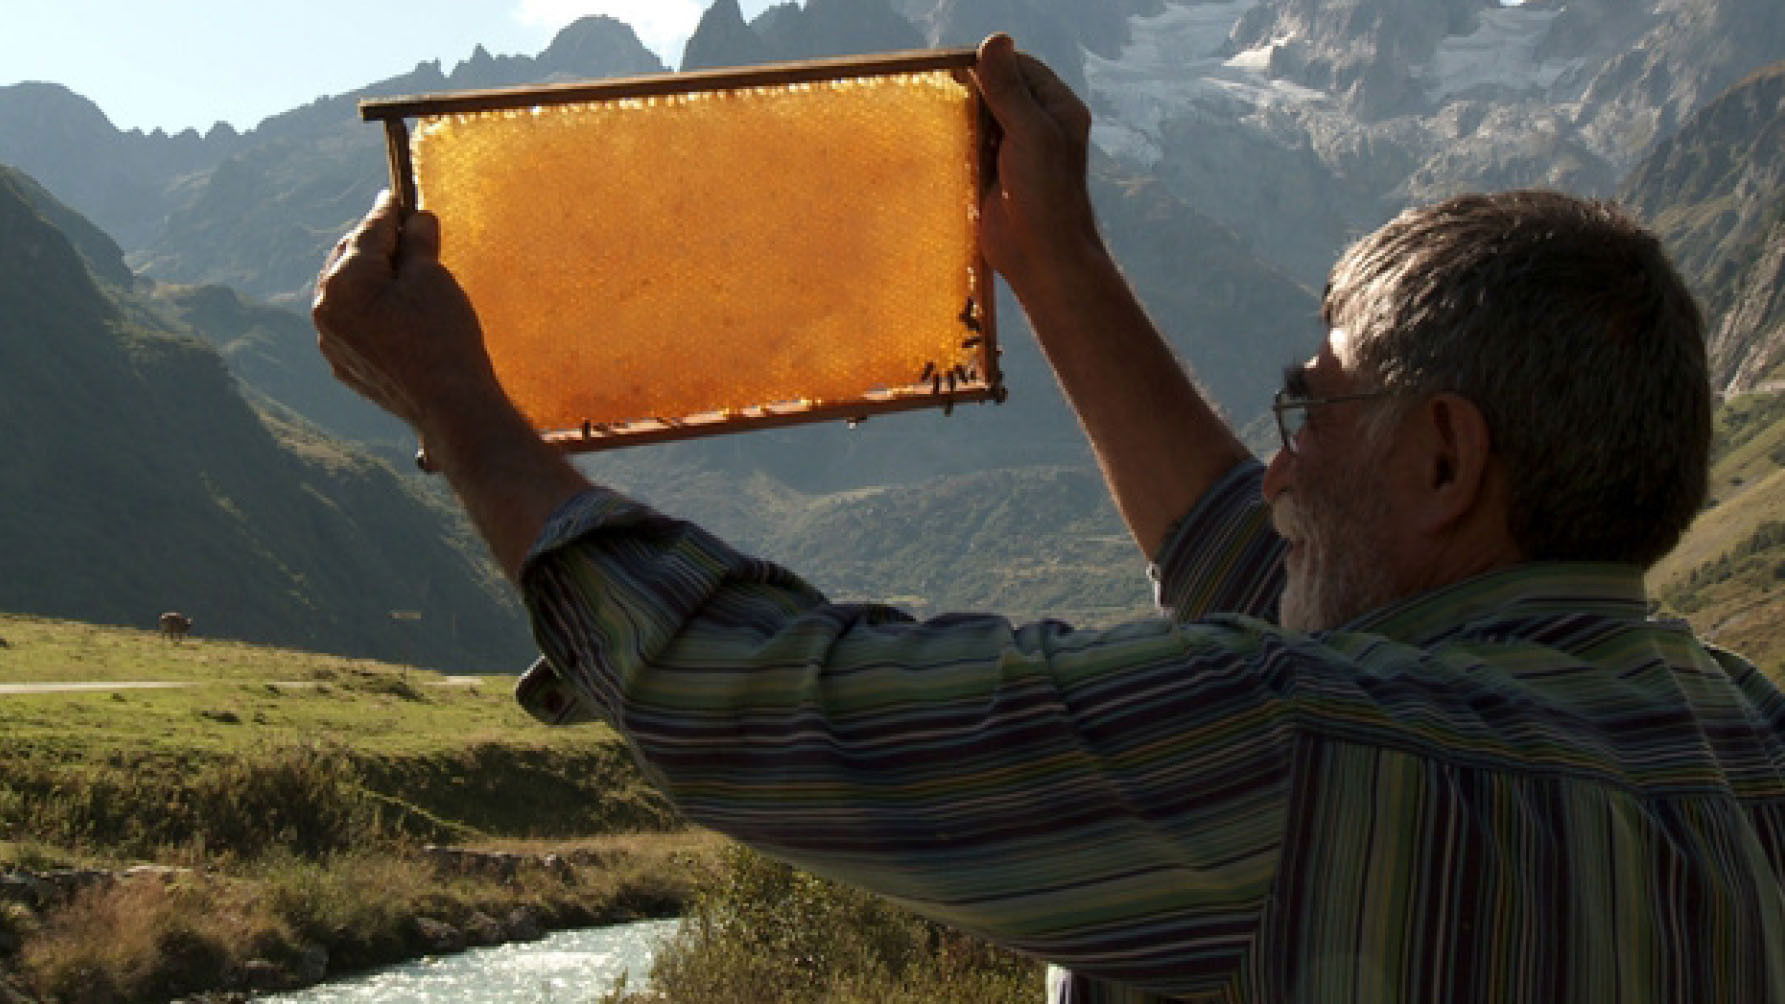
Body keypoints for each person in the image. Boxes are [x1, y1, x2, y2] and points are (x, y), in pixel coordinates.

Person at [314, 32, 1785, 1004]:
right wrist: (1054, 260)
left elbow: (764, 701)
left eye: (1312, 410)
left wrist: (466, 413)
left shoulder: (1290, 755)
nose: (1278, 473)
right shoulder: (1748, 747)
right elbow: (1259, 572)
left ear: (1445, 460)